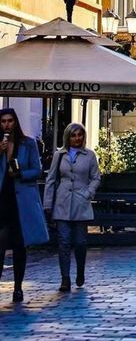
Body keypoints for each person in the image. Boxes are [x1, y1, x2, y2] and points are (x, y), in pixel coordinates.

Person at [43, 122, 100, 292]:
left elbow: (96, 177)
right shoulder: (59, 155)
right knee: (64, 242)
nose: (76, 138)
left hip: (81, 203)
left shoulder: (89, 155)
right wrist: (48, 204)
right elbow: (51, 179)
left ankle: (80, 271)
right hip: (62, 202)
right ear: (68, 137)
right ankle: (65, 278)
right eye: (73, 135)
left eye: (79, 135)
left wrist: (89, 192)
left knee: (80, 242)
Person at [0, 107, 48, 303]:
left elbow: (37, 170)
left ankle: (18, 287)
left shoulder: (27, 144)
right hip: (2, 198)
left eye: (10, 121)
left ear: (15, 122)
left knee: (20, 244)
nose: (7, 125)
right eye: (3, 121)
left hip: (21, 199)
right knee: (0, 243)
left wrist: (20, 174)